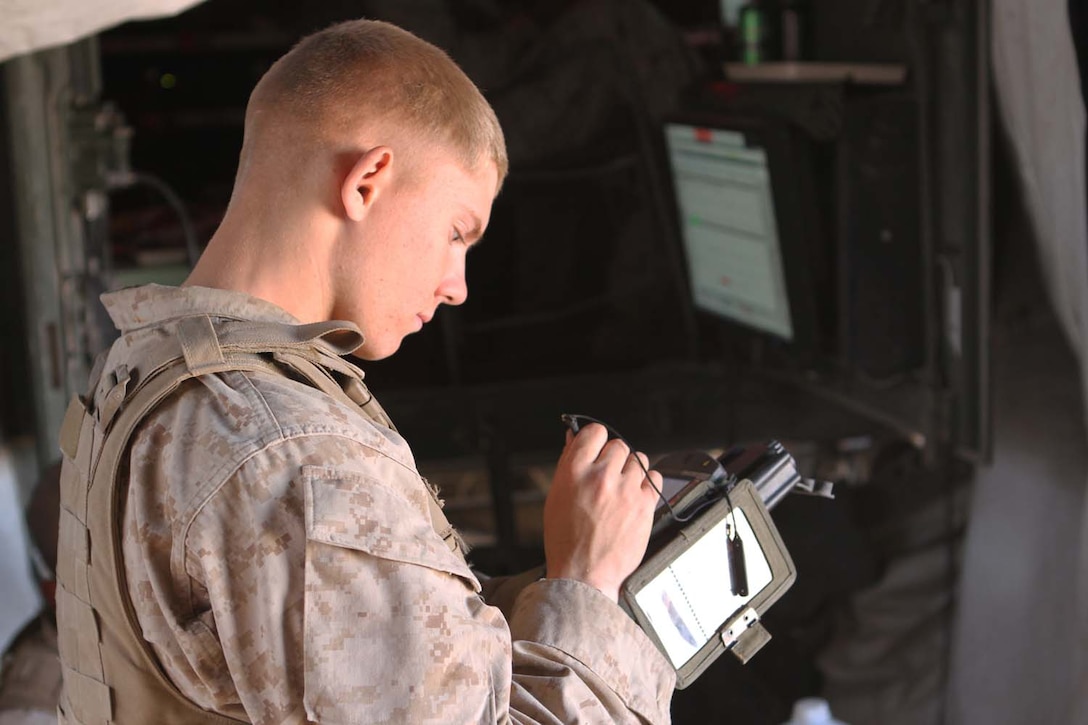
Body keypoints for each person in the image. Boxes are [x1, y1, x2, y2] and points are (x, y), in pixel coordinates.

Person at [53, 18, 675, 724]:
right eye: (455, 232)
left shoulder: (150, 364)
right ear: (369, 181)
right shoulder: (295, 459)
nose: (456, 284)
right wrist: (587, 581)